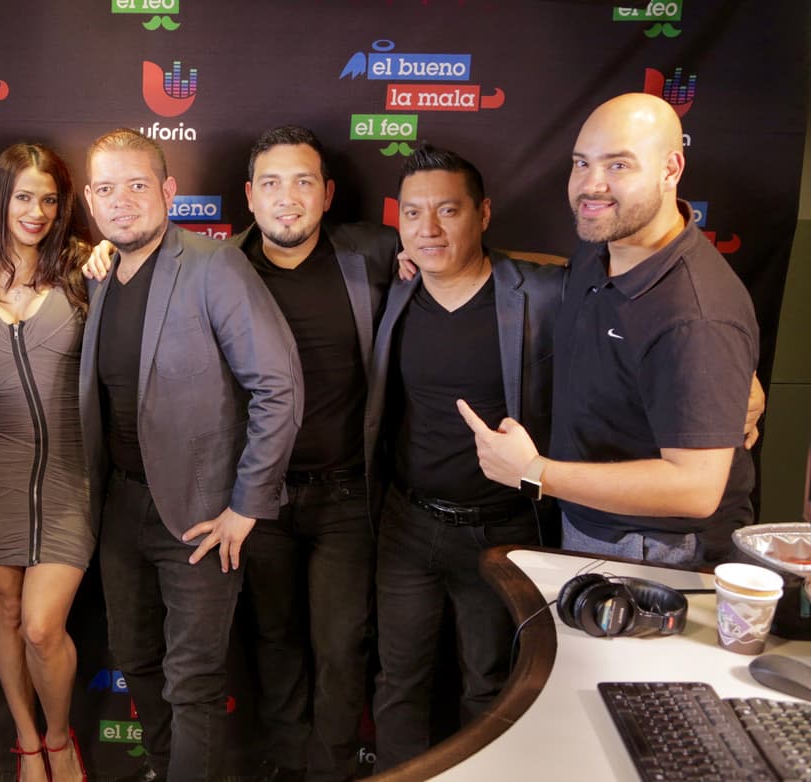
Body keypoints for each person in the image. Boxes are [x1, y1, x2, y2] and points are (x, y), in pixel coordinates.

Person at [79, 128, 302, 782]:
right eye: (107, 189)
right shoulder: (102, 276)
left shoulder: (213, 266)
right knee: (136, 661)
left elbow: (279, 387)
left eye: (137, 185)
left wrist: (246, 506)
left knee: (194, 678)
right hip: (121, 506)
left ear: (169, 191)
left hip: (201, 516)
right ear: (90, 200)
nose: (122, 201)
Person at [458, 93, 760, 568]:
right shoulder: (605, 244)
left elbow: (697, 487)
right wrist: (442, 261)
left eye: (618, 165)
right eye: (582, 163)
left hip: (656, 547)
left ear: (670, 169)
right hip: (593, 519)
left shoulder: (697, 316)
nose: (591, 185)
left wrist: (533, 471)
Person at [366, 143, 564, 771]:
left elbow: (623, 301)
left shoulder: (541, 294)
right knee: (398, 682)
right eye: (413, 213)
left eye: (447, 211)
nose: (428, 228)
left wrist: (741, 385)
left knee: (488, 687)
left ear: (483, 214)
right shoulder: (393, 292)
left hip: (499, 532)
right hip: (407, 524)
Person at [232, 126, 397, 782]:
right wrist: (101, 252)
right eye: (271, 183)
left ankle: (330, 773)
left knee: (341, 648)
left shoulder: (373, 252)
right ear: (249, 196)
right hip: (257, 499)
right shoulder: (219, 266)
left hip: (346, 496)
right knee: (273, 642)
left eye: (303, 181)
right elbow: (137, 260)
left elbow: (470, 253)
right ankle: (282, 766)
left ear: (327, 194)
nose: (288, 197)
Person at [0, 143, 91, 782]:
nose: (36, 212)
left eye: (49, 199)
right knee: (6, 610)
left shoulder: (85, 268)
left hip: (72, 471)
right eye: (23, 197)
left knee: (41, 626)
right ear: (0, 199)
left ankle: (60, 739)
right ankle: (27, 743)